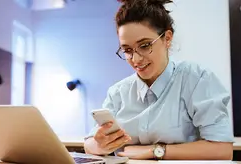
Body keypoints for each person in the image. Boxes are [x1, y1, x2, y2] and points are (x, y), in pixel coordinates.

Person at [84, 0, 234, 160]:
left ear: (167, 38)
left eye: (145, 45)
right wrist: (99, 144)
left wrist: (155, 151)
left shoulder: (196, 79)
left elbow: (222, 149)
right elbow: (89, 144)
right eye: (127, 50)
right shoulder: (118, 92)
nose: (135, 59)